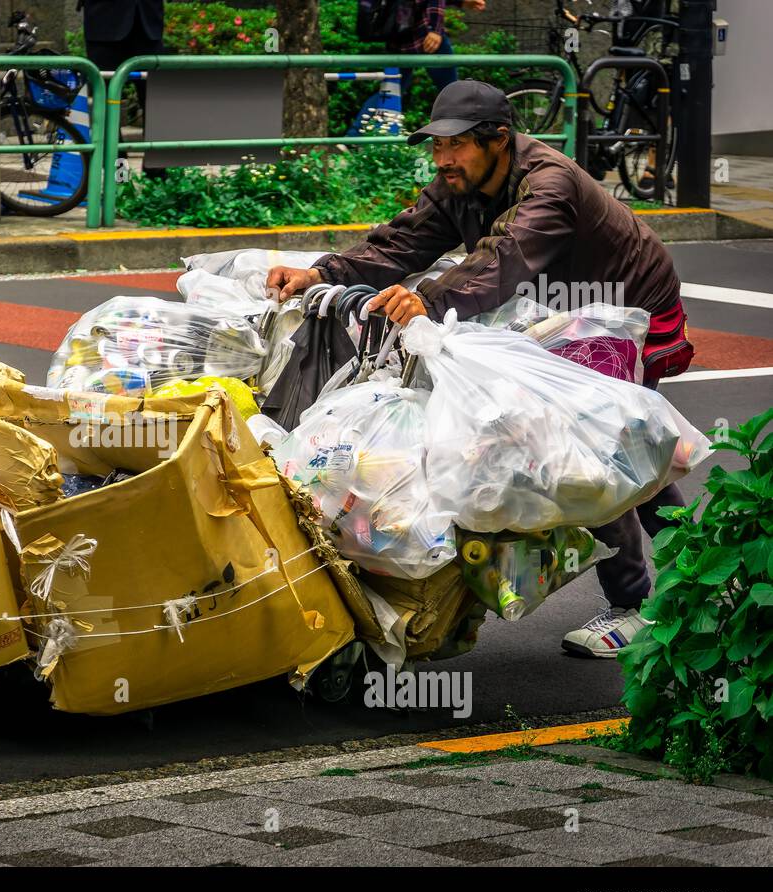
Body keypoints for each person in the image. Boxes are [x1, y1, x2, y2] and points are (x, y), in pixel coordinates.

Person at [265, 79, 694, 659]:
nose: (443, 160)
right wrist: (323, 273)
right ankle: (699, 577)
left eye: (457, 146)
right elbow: (403, 242)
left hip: (626, 316)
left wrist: (430, 304)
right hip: (554, 314)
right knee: (628, 449)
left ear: (499, 139)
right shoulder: (457, 184)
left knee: (588, 452)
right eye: (437, 147)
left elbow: (505, 258)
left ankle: (635, 603)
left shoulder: (549, 184)